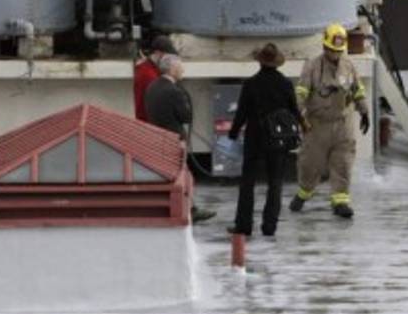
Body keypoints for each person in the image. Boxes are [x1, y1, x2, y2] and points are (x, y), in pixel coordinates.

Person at [290, 24, 371, 218]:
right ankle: (304, 193)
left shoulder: (348, 65)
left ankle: (340, 201)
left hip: (343, 124)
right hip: (317, 125)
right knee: (310, 162)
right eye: (332, 49)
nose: (335, 54)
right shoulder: (312, 66)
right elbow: (301, 91)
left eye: (338, 50)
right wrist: (296, 114)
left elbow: (357, 89)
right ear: (325, 47)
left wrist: (364, 111)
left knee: (342, 162)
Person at [228, 44, 302, 238]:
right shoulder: (285, 84)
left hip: (254, 137)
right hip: (277, 139)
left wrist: (233, 133)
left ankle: (244, 225)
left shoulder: (250, 84)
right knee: (275, 182)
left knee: (248, 182)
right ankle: (269, 226)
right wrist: (302, 127)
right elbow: (294, 111)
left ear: (260, 62)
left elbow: (241, 113)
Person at [145, 54, 216, 222]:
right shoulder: (174, 91)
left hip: (158, 136)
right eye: (181, 67)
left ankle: (184, 206)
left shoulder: (152, 87)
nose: (183, 70)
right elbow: (186, 117)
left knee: (167, 175)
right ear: (173, 69)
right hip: (175, 139)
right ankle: (190, 209)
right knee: (181, 175)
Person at [133, 35, 176, 121]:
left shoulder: (146, 68)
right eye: (167, 56)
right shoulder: (149, 75)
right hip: (150, 125)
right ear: (158, 53)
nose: (169, 60)